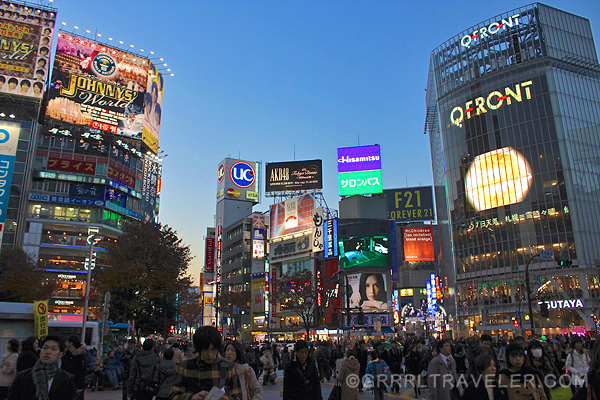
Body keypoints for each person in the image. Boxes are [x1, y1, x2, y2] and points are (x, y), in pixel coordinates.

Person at [170, 326, 243, 400]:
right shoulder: (186, 366)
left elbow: (238, 396)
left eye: (213, 349)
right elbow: (174, 395)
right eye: (205, 349)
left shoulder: (228, 367)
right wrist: (192, 397)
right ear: (199, 349)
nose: (210, 354)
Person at [6, 333, 76, 400]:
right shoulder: (22, 377)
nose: (48, 352)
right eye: (45, 348)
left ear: (60, 354)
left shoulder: (66, 379)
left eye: (53, 349)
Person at [60, 335, 88, 400]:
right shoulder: (66, 355)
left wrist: (80, 386)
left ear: (71, 343)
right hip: (65, 384)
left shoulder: (80, 357)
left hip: (75, 385)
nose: (65, 343)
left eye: (67, 341)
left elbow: (82, 372)